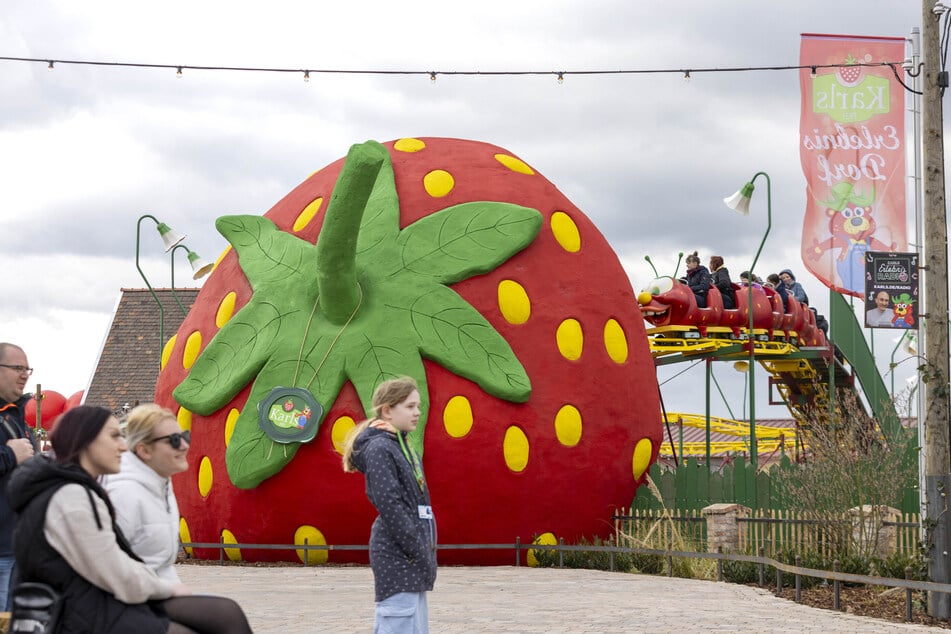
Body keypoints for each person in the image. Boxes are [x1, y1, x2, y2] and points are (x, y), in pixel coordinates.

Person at [7, 405, 252, 634]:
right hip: (77, 613)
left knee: (225, 613)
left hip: (93, 602)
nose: (124, 446)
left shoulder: (79, 489)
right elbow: (115, 572)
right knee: (215, 619)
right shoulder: (71, 497)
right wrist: (169, 589)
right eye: (114, 436)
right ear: (86, 441)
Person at [342, 377, 437, 633]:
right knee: (397, 624)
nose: (417, 412)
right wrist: (417, 547)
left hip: (412, 553)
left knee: (413, 627)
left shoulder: (403, 447)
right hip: (398, 553)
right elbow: (390, 504)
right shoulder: (380, 449)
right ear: (387, 410)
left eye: (418, 406)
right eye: (409, 406)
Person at [104, 404, 189, 583]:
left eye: (184, 436)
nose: (183, 446)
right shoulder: (124, 494)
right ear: (144, 450)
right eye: (173, 440)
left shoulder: (161, 483)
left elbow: (161, 567)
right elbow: (109, 571)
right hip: (134, 599)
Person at [0, 342, 37, 611]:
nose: (24, 375)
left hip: (18, 545)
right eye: (17, 368)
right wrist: (9, 455)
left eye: (27, 369)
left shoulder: (17, 414)